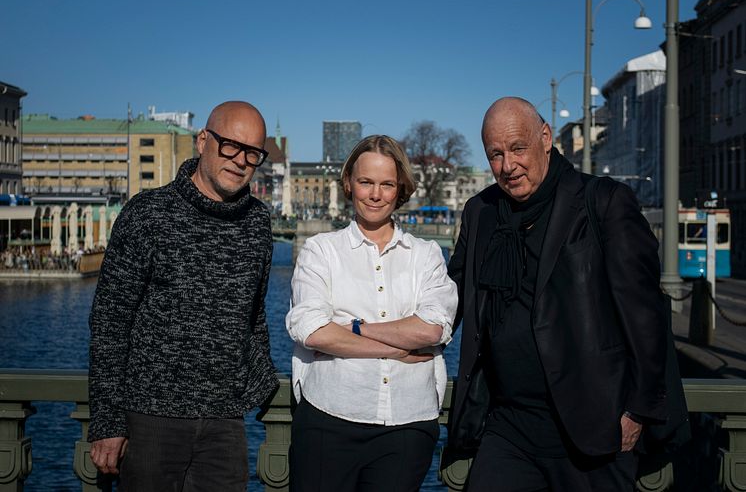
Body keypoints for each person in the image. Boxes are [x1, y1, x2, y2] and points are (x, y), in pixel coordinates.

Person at [446, 97, 680, 491]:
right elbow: (448, 297)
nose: (508, 166)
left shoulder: (603, 202)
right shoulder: (481, 211)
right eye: (496, 155)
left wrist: (638, 410)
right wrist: (382, 329)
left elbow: (647, 317)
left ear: (545, 138)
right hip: (507, 427)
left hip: (592, 429)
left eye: (518, 148)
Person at [88, 101, 279, 491]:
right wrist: (108, 420)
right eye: (229, 145)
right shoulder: (148, 214)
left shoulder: (258, 222)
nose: (240, 160)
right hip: (150, 419)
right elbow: (109, 322)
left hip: (225, 423)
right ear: (203, 141)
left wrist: (259, 378)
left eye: (252, 153)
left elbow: (253, 315)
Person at [286, 135, 458, 492]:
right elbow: (314, 331)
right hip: (328, 419)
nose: (375, 194)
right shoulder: (321, 251)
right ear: (349, 183)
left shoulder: (425, 255)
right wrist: (397, 349)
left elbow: (431, 329)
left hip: (408, 425)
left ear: (400, 189)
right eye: (366, 182)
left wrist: (353, 327)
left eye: (386, 184)